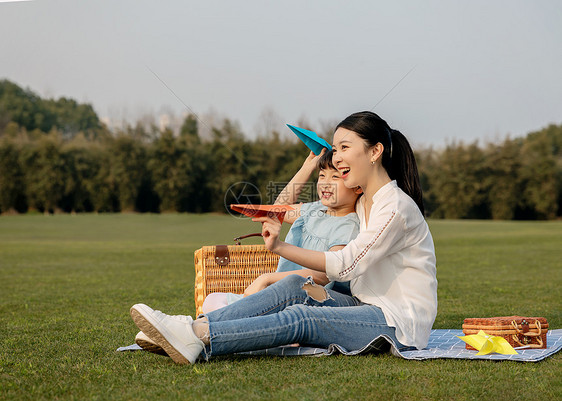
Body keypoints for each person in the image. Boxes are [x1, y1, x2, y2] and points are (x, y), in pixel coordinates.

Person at [129, 111, 438, 365]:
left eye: (345, 147)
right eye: (334, 149)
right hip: (363, 304)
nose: (336, 157)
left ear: (375, 151)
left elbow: (344, 265)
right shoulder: (361, 200)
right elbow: (283, 209)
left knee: (304, 318)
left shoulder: (394, 207)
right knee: (293, 285)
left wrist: (279, 246)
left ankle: (197, 337)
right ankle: (190, 328)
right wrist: (304, 170)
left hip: (399, 324)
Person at [201, 149, 361, 313]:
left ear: (357, 186)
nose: (326, 182)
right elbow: (277, 208)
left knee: (225, 311)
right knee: (212, 300)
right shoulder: (316, 209)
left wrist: (267, 279)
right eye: (321, 175)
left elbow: (323, 276)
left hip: (308, 301)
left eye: (335, 177)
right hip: (278, 292)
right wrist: (306, 168)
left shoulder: (348, 227)